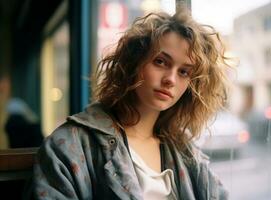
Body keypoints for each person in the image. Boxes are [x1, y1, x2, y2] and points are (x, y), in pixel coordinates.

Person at [27, 9, 231, 200]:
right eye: (160, 62)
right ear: (134, 62)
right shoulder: (71, 146)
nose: (171, 79)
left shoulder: (184, 151)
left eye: (184, 72)